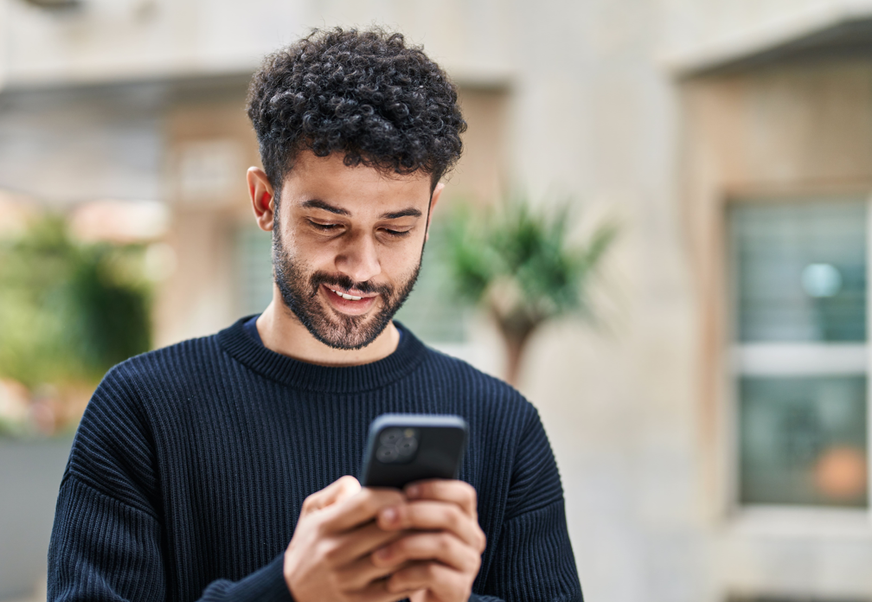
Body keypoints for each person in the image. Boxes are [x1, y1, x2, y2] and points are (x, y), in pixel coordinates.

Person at [48, 27, 582, 602]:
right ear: (265, 202)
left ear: (431, 213)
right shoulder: (141, 413)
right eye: (327, 225)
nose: (363, 267)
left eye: (396, 230)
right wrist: (289, 590)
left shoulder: (504, 426)